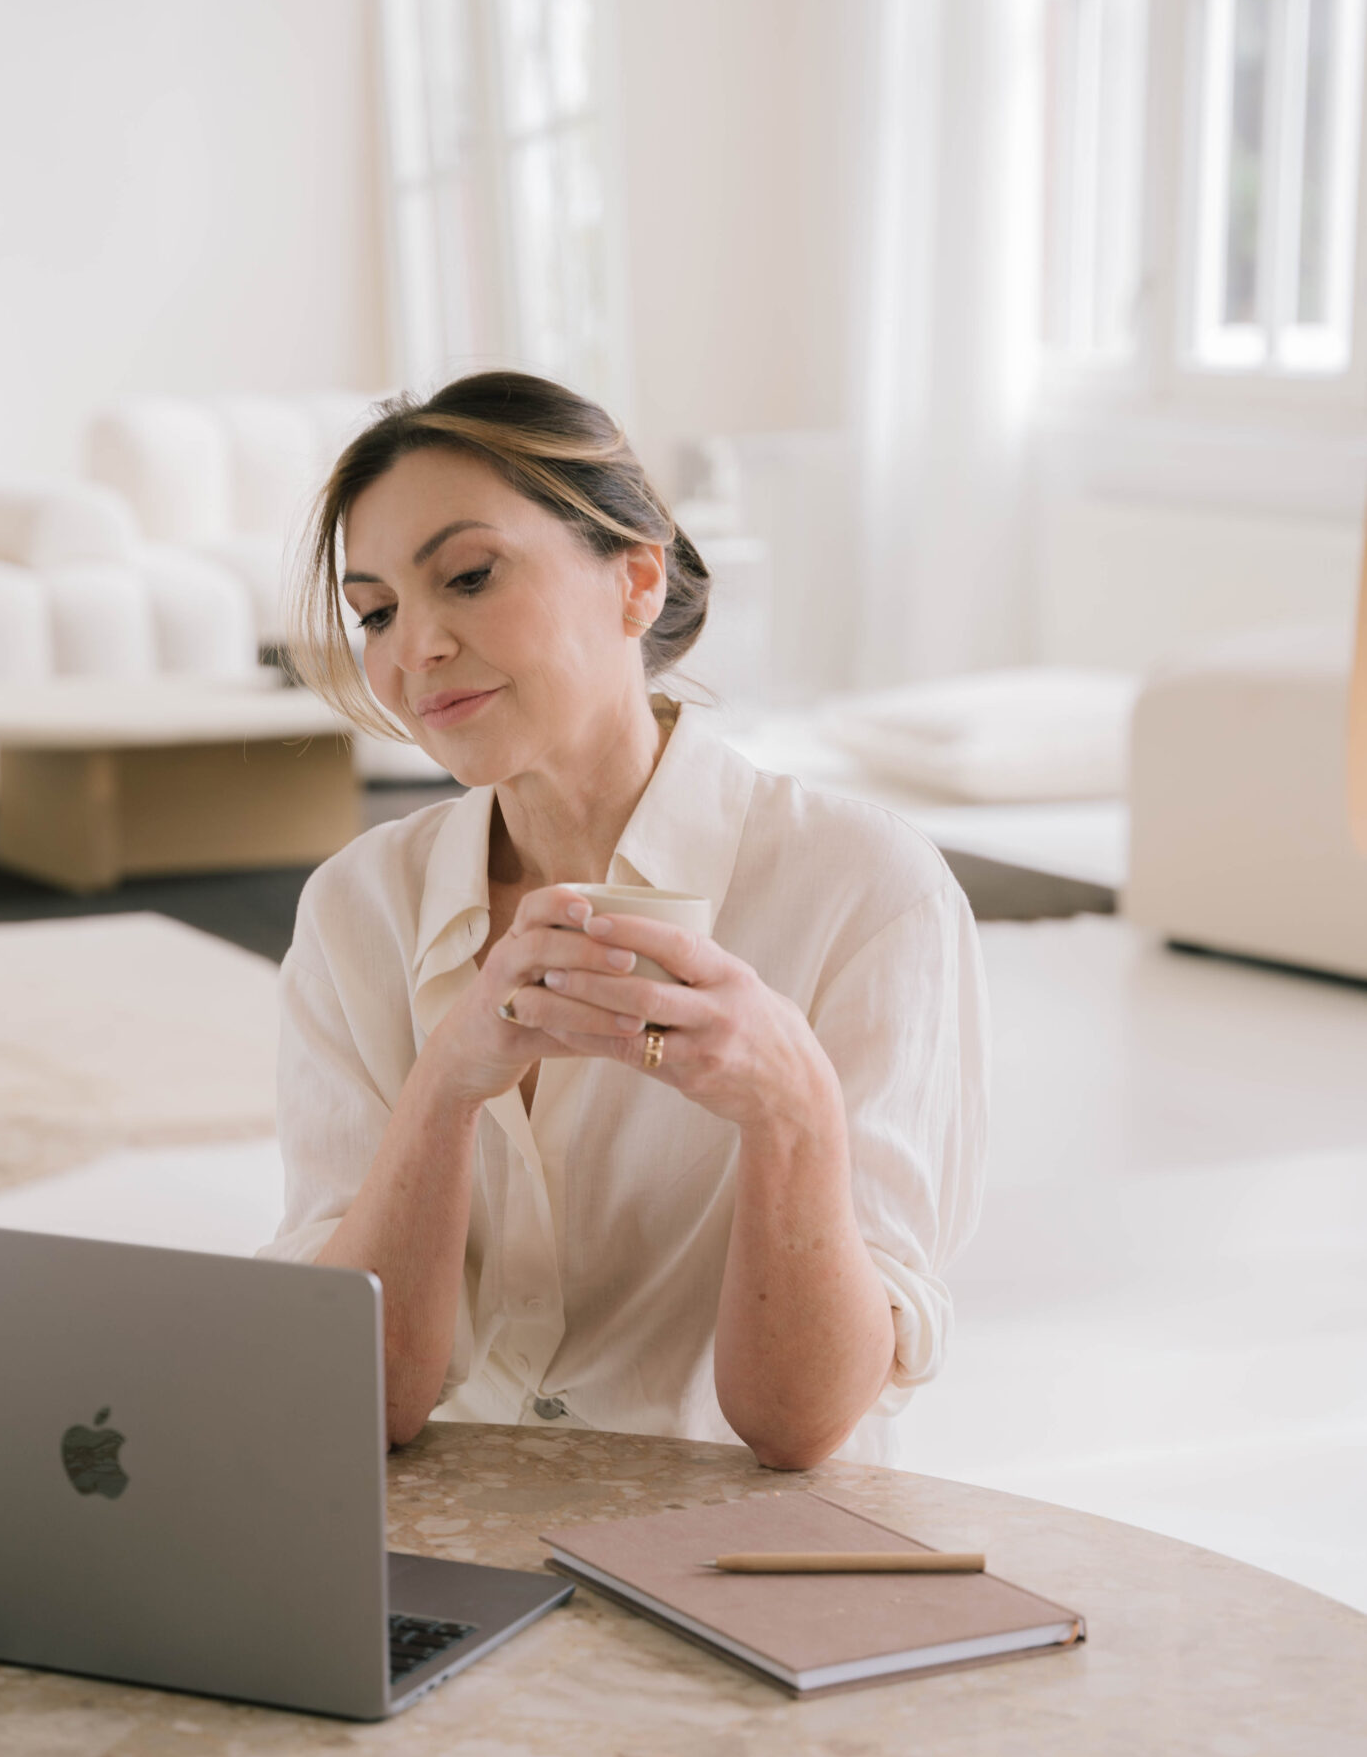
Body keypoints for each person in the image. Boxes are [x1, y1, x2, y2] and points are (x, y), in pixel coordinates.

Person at [259, 373, 988, 1467]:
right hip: (446, 1549)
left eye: (468, 576)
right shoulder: (358, 910)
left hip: (734, 1563)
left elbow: (803, 1425)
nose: (415, 650)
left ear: (637, 578)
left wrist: (791, 1110)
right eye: (377, 612)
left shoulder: (866, 891)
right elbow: (357, 1403)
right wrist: (447, 1084)